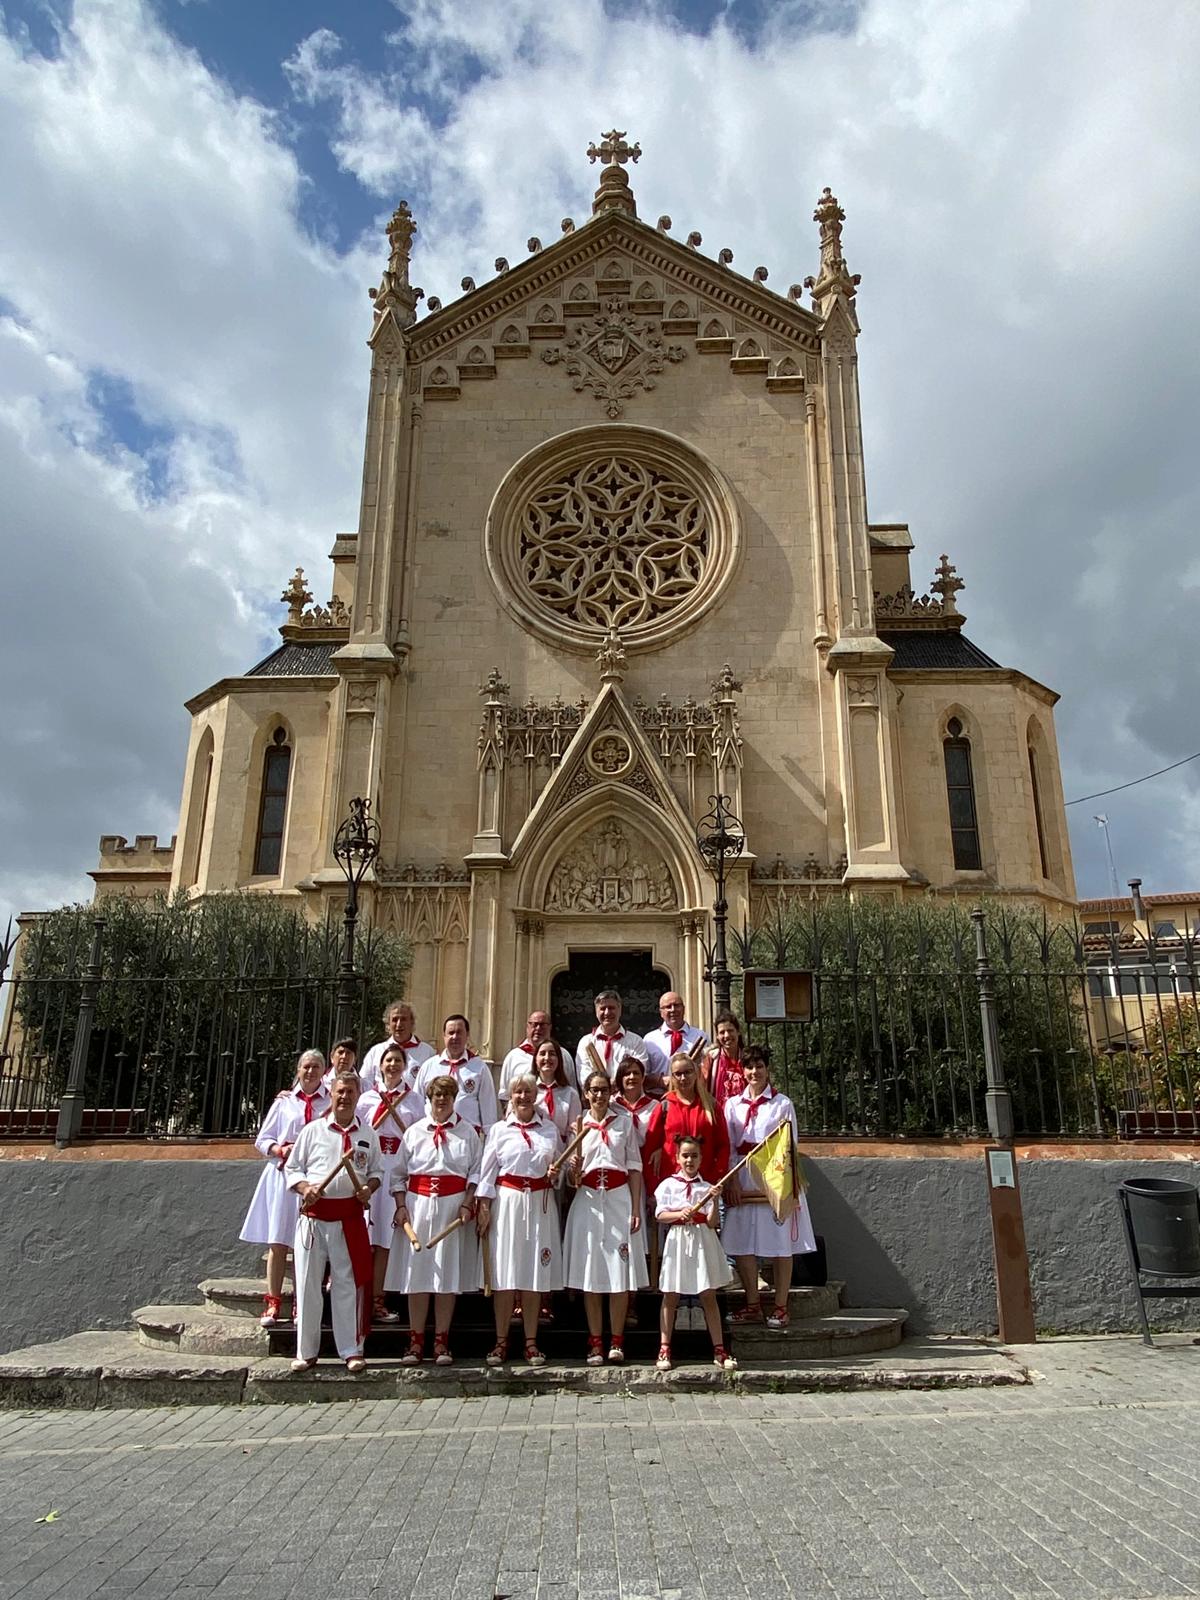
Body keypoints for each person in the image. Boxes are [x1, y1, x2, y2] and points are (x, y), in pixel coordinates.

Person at [284, 1071, 383, 1373]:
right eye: (340, 1091)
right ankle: (306, 1351)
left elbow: (377, 1172)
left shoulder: (368, 1135)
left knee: (347, 1286)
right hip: (314, 1219)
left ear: (357, 1095)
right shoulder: (313, 1131)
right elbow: (292, 1168)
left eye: (350, 1092)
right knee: (308, 1284)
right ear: (332, 1093)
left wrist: (370, 1188)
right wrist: (305, 1188)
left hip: (349, 1219)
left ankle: (351, 1350)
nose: (344, 1097)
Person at [386, 1075, 482, 1366]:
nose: (441, 1101)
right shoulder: (414, 1132)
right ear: (429, 1099)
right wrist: (401, 1206)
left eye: (447, 1096)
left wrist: (468, 1203)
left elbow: (476, 1174)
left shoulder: (468, 1133)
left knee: (445, 1277)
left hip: (452, 1211)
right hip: (418, 1209)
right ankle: (416, 1341)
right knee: (418, 1276)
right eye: (436, 1096)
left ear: (454, 1099)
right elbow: (399, 1175)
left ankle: (441, 1340)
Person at [722, 1045, 817, 1330]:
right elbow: (727, 1146)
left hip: (772, 1175)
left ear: (767, 1069)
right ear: (743, 1070)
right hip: (742, 1174)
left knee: (779, 1244)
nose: (754, 1072)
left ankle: (780, 1305)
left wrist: (784, 1186)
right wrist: (732, 1180)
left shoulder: (782, 1104)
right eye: (749, 1067)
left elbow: (790, 1146)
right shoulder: (732, 1105)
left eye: (759, 1066)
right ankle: (752, 1304)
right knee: (741, 1242)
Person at [476, 1073, 563, 1367]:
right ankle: (501, 1341)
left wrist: (556, 1174)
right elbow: (487, 1171)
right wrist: (484, 1206)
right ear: (510, 1097)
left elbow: (560, 1168)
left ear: (536, 1095)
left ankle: (530, 1341)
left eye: (528, 1091)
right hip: (507, 1204)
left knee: (532, 1274)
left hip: (539, 1205)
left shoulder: (549, 1130)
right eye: (518, 1092)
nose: (523, 1097)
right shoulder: (500, 1130)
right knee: (505, 1274)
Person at [240, 1049, 330, 1327]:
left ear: (324, 1071)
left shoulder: (329, 1102)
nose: (311, 1071)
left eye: (316, 1067)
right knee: (278, 1242)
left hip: (312, 1180)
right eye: (306, 1066)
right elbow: (262, 1139)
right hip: (282, 1176)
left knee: (308, 1243)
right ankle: (273, 1301)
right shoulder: (285, 1102)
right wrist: (279, 1148)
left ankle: (301, 1302)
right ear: (298, 1070)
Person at [562, 1071, 647, 1365]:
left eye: (603, 1090)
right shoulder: (578, 1125)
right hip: (588, 1200)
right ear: (585, 1093)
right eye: (593, 1090)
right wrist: (574, 1168)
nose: (599, 1095)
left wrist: (635, 1208)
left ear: (611, 1093)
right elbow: (572, 1180)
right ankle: (595, 1340)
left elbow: (634, 1168)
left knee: (618, 1272)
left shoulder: (623, 1122)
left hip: (618, 1198)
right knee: (592, 1272)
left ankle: (617, 1340)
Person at [654, 1135, 736, 1372]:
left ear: (701, 1158)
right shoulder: (668, 1185)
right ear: (677, 1157)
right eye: (685, 1155)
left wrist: (715, 1198)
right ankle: (664, 1347)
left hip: (702, 1241)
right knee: (671, 1294)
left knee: (708, 1294)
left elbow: (712, 1222)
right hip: (678, 1240)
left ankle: (719, 1349)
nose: (690, 1160)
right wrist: (680, 1213)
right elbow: (660, 1215)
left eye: (695, 1155)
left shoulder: (706, 1188)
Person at [357, 1042, 423, 1324]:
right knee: (364, 1236)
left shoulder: (414, 1099)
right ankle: (357, 1298)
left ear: (404, 1066)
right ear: (380, 1066)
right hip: (370, 1169)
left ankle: (379, 1299)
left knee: (385, 1239)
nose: (393, 1065)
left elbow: (419, 1136)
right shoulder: (366, 1099)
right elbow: (360, 1134)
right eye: (388, 1061)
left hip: (396, 1168)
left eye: (398, 1061)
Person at [414, 1014, 499, 1137]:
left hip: (467, 1139)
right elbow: (417, 1105)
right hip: (431, 1136)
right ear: (444, 1036)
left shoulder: (479, 1068)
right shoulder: (429, 1066)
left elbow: (488, 1111)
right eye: (451, 1032)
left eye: (459, 1032)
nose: (455, 1037)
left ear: (467, 1035)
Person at [573, 990, 649, 1095]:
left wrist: (616, 1084)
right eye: (602, 1008)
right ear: (596, 1012)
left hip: (627, 1101)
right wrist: (603, 1090)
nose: (607, 1012)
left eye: (611, 1008)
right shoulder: (586, 1042)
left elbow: (640, 1072)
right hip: (599, 1101)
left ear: (620, 1010)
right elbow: (584, 1076)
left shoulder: (636, 1041)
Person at [499, 1010, 575, 1104]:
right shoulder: (513, 1057)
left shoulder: (564, 1056)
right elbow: (504, 1096)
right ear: (527, 1026)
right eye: (534, 1024)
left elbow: (572, 1087)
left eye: (542, 1025)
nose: (538, 1028)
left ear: (550, 1027)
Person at [359, 1000, 434, 1091]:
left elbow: (432, 1086)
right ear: (388, 1024)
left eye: (403, 1019)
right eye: (395, 1020)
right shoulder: (376, 1051)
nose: (399, 1024)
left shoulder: (427, 1052)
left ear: (412, 1022)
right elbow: (364, 1084)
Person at [643, 991, 709, 1095]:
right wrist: (661, 1081)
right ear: (661, 1012)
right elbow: (642, 1076)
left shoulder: (700, 1036)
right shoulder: (649, 1040)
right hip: (659, 1098)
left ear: (683, 1008)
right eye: (668, 1007)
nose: (673, 1010)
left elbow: (707, 1071)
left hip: (692, 1097)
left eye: (677, 1005)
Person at [532, 1038, 581, 1138]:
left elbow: (574, 1131)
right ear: (535, 1060)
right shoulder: (529, 1092)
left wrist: (570, 1152)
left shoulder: (570, 1094)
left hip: (563, 1151)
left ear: (559, 1060)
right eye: (542, 1053)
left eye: (552, 1054)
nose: (547, 1058)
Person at [707, 1011, 749, 1108]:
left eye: (730, 1030)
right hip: (719, 1116)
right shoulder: (711, 1059)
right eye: (722, 1032)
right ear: (717, 1036)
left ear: (738, 1032)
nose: (726, 1035)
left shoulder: (748, 1058)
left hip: (746, 1115)